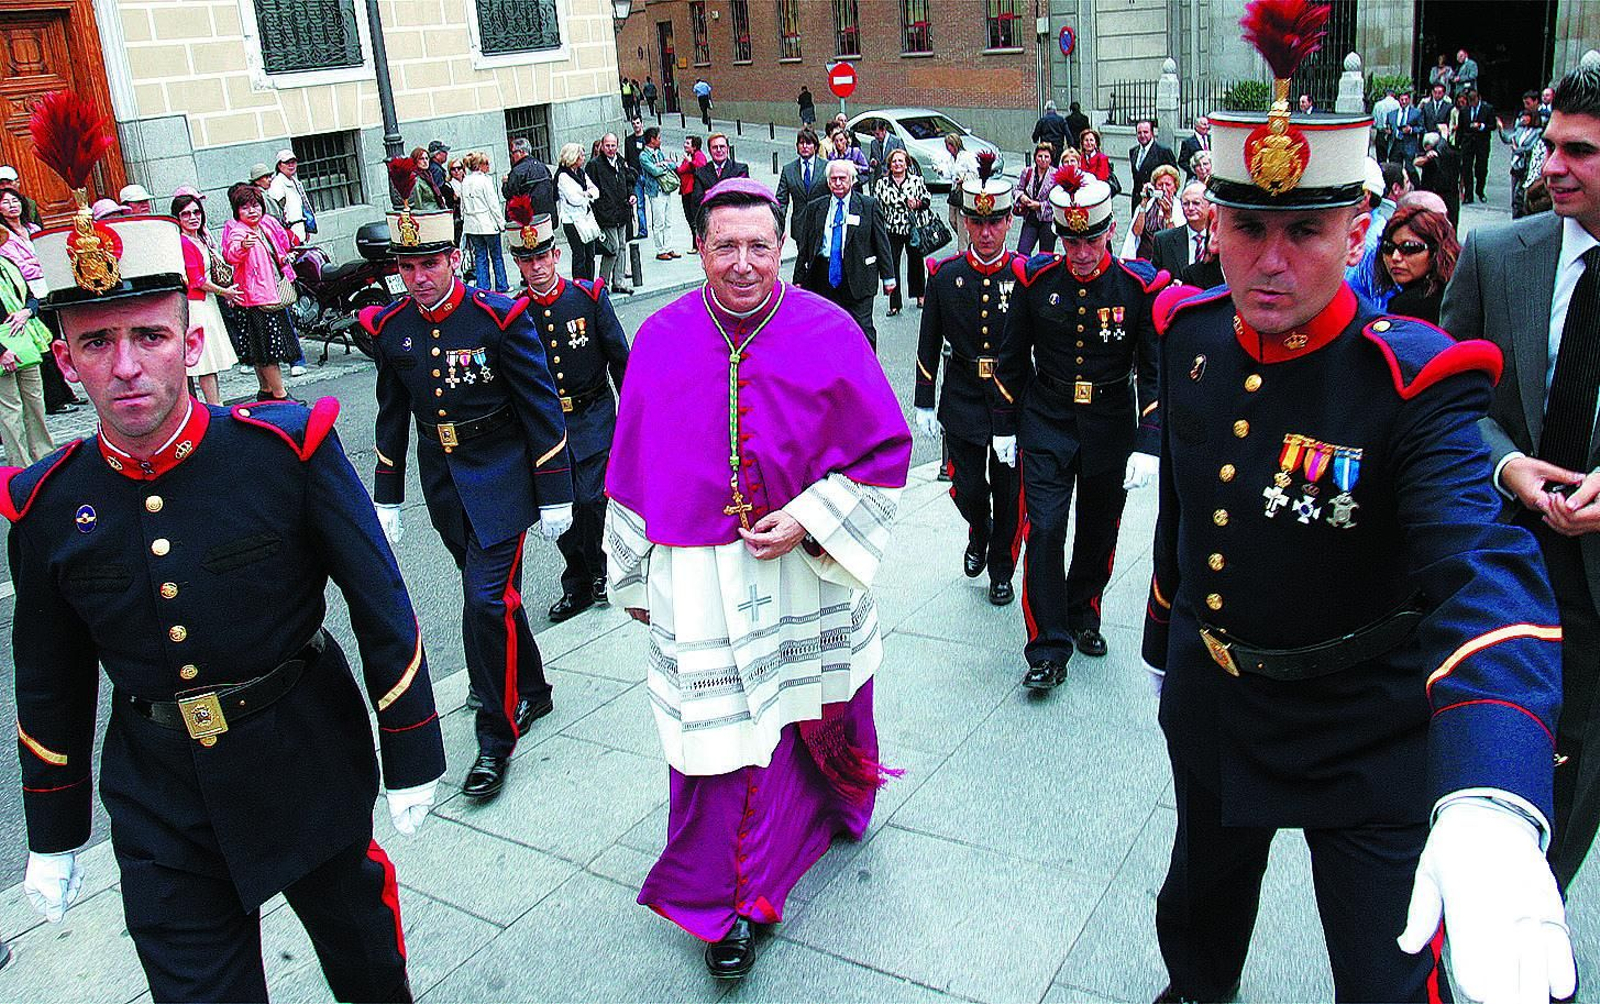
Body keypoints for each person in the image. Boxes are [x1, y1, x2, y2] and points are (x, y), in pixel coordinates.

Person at [1143, 15, 1569, 1000]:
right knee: (1196, 916)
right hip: (1219, 702)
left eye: (1305, 230)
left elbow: (1485, 573)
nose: (1272, 261)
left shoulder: (1411, 380)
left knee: (1387, 977)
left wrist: (1494, 789)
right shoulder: (1191, 335)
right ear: (1214, 222)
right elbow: (1185, 502)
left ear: (1354, 226)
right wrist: (1171, 635)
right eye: (1248, 226)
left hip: (1365, 725)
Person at [7, 93, 446, 1001]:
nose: (125, 365)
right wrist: (51, 830)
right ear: (66, 363)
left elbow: (380, 600)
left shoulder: (286, 449)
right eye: (97, 342)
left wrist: (410, 747)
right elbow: (47, 677)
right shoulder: (46, 502)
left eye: (148, 335)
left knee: (368, 969)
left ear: (190, 340)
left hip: (303, 753)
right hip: (159, 792)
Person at [603, 177, 911, 981]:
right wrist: (635, 577)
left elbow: (882, 455)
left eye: (759, 247)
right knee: (722, 746)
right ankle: (728, 902)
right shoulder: (662, 339)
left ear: (783, 249)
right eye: (725, 246)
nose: (743, 264)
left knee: (806, 710)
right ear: (699, 249)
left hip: (800, 567)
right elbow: (634, 467)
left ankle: (827, 809)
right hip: (700, 574)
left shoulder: (830, 328)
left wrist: (810, 518)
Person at [1442, 56, 1600, 892]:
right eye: (1552, 145)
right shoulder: (1498, 254)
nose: (1552, 167)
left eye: (1580, 152)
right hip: (1509, 567)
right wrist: (1505, 463)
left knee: (1572, 796)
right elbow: (1445, 400)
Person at [361, 190, 573, 803]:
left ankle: (496, 737)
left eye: (428, 264)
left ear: (454, 257)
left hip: (502, 476)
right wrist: (388, 494)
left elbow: (540, 406)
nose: (418, 278)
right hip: (445, 483)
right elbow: (390, 415)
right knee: (498, 601)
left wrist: (555, 490)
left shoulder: (498, 317)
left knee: (482, 603)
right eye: (406, 267)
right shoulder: (394, 329)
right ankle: (531, 687)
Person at [991, 164, 1164, 690]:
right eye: (1070, 239)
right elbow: (1012, 356)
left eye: (1090, 239)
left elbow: (1153, 371)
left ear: (1109, 230)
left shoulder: (1138, 287)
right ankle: (1047, 645)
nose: (1081, 252)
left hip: (1110, 423)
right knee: (1043, 529)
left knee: (1098, 528)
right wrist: (1003, 425)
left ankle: (1083, 610)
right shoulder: (1037, 280)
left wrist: (1148, 440)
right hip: (1047, 419)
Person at [504, 206, 629, 623]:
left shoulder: (588, 297)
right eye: (527, 260)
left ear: (555, 255)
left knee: (592, 500)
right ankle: (577, 580)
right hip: (546, 428)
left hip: (592, 416)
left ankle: (601, 569)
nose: (536, 268)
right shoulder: (514, 313)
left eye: (542, 257)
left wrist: (631, 418)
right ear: (518, 264)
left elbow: (619, 360)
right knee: (561, 508)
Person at [916, 157, 1023, 606]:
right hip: (961, 394)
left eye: (994, 222)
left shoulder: (1024, 274)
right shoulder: (945, 275)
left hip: (1011, 397)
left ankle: (1001, 569)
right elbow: (928, 340)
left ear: (1009, 221)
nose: (985, 232)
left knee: (1008, 489)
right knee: (969, 486)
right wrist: (923, 399)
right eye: (976, 222)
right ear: (962, 220)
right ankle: (979, 531)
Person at [792, 159, 894, 349]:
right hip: (824, 276)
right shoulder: (816, 207)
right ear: (828, 182)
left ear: (852, 180)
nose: (838, 183)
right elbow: (805, 246)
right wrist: (798, 277)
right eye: (833, 179)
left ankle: (867, 372)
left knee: (862, 329)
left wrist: (888, 277)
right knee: (825, 328)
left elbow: (882, 243)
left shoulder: (868, 205)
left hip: (858, 275)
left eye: (842, 178)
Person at [221, 185, 301, 402]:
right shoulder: (238, 231)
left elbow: (278, 250)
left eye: (255, 205)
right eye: (245, 207)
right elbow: (231, 254)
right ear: (237, 211)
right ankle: (280, 395)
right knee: (267, 352)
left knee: (260, 350)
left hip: (266, 295)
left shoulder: (263, 227)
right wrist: (243, 247)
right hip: (255, 300)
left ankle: (266, 391)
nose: (252, 211)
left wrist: (284, 259)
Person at [173, 190, 240, 405]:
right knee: (205, 360)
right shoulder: (184, 242)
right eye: (186, 214)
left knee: (209, 362)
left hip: (207, 302)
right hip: (196, 305)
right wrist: (225, 292)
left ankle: (214, 403)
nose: (193, 217)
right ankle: (213, 406)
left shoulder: (200, 238)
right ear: (178, 218)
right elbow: (197, 280)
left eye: (196, 212)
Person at [0, 251, 53, 464]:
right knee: (10, 410)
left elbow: (32, 298)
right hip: (4, 348)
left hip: (25, 341)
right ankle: (20, 464)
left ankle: (44, 457)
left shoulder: (7, 262)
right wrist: (1, 351)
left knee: (35, 403)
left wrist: (26, 312)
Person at [1374, 202, 1457, 324]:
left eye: (1409, 247)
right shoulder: (1458, 289)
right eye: (1388, 247)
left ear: (1436, 252)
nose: (1395, 257)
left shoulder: (1410, 306)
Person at [872, 148, 930, 316]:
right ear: (890, 164)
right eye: (894, 161)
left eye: (901, 161)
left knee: (917, 263)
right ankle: (894, 303)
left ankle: (920, 295)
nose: (897, 164)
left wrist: (917, 203)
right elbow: (878, 207)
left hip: (913, 228)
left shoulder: (916, 181)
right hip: (892, 229)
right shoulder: (882, 183)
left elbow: (927, 199)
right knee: (891, 265)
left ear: (906, 164)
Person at [588, 132, 636, 295]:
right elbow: (591, 189)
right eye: (607, 145)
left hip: (621, 210)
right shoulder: (595, 165)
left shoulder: (620, 161)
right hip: (606, 213)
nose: (610, 149)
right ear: (602, 146)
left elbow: (628, 180)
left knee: (622, 246)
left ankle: (619, 281)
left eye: (613, 145)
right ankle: (603, 282)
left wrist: (631, 194)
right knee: (612, 247)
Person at [460, 152, 510, 293]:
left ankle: (483, 287)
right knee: (496, 256)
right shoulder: (485, 181)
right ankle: (502, 285)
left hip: (472, 224)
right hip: (487, 223)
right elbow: (493, 205)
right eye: (486, 163)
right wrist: (501, 224)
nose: (488, 166)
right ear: (480, 165)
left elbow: (462, 206)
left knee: (480, 256)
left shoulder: (465, 181)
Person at [555, 142, 600, 283]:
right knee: (579, 255)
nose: (583, 157)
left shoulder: (581, 172)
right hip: (572, 221)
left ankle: (590, 283)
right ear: (572, 157)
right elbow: (574, 199)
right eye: (580, 154)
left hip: (585, 218)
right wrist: (586, 195)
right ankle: (580, 284)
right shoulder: (562, 176)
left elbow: (595, 191)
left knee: (590, 254)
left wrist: (585, 194)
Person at [774, 129, 829, 240]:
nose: (804, 146)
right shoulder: (788, 170)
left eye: (808, 143)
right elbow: (781, 200)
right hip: (800, 226)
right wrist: (777, 225)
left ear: (816, 146)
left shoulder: (827, 167)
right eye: (801, 143)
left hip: (822, 225)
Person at [1151, 180, 1211, 279]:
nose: (1191, 208)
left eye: (1196, 203)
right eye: (1186, 204)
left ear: (1209, 205)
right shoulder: (1163, 240)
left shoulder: (1220, 240)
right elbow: (1156, 280)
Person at [638, 126, 678, 262]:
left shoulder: (658, 152)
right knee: (658, 221)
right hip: (655, 192)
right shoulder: (644, 156)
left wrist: (663, 165)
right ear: (652, 139)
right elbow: (654, 171)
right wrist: (663, 166)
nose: (660, 141)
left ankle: (668, 247)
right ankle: (660, 250)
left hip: (665, 189)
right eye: (658, 138)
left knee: (668, 221)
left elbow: (672, 165)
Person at [693, 134, 750, 225]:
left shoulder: (740, 169)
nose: (719, 150)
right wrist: (728, 190)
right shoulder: (700, 173)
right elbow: (697, 201)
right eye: (715, 147)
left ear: (727, 148)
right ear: (709, 150)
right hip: (711, 223)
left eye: (722, 147)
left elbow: (742, 197)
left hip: (734, 222)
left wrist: (711, 193)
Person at [1014, 143, 1058, 257]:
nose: (1043, 160)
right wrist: (1021, 197)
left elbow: (1057, 201)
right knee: (1022, 252)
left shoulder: (1056, 175)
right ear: (1035, 157)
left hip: (1048, 220)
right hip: (1030, 218)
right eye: (1040, 156)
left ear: (1051, 159)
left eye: (1046, 157)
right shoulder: (1027, 172)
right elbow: (1017, 189)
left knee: (1045, 256)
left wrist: (1040, 205)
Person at [1498, 107, 1545, 216]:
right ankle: (1515, 216)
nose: (1523, 119)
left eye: (1525, 116)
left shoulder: (1538, 132)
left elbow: (1531, 147)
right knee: (1514, 194)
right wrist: (1501, 129)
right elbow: (1508, 139)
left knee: (1521, 193)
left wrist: (1517, 149)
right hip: (1516, 165)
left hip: (1527, 166)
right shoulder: (1520, 129)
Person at [1132, 163, 1183, 261]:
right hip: (1145, 256)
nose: (1164, 188)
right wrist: (1143, 204)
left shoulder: (1180, 207)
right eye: (1160, 184)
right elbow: (1136, 232)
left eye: (1168, 185)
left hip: (1167, 257)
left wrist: (1168, 215)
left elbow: (1176, 239)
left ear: (1175, 187)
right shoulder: (1148, 206)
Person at [940, 133, 979, 251]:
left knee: (962, 223)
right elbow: (949, 174)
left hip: (964, 191)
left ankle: (963, 249)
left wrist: (964, 178)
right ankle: (970, 240)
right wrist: (940, 171)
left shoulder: (967, 157)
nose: (948, 149)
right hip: (954, 192)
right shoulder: (951, 159)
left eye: (950, 146)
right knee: (952, 219)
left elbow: (976, 173)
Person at [1415, 129, 1461, 227]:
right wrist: (1427, 158)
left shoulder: (1451, 154)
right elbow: (1416, 162)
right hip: (1435, 190)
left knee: (1449, 220)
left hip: (1447, 191)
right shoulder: (1428, 156)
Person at [1129, 118, 1177, 211]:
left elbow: (1174, 178)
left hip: (1156, 202)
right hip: (1138, 201)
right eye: (1139, 133)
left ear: (1152, 133)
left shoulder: (1163, 151)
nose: (1142, 135)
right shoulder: (1133, 152)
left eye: (1145, 132)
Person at [504, 137, 556, 219]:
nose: (512, 156)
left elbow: (508, 194)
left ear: (521, 152)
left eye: (513, 153)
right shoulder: (543, 167)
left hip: (528, 219)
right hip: (547, 217)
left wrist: (505, 183)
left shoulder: (517, 171)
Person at [266, 149, 311, 242]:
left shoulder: (295, 182)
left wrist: (306, 229)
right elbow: (277, 213)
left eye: (293, 162)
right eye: (287, 162)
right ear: (279, 165)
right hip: (288, 235)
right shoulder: (277, 184)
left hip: (299, 232)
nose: (291, 165)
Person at [1459, 89, 1495, 203]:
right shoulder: (1464, 110)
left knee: (1481, 168)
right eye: (1470, 101)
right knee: (1466, 168)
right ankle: (1468, 194)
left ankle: (1480, 190)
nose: (1472, 103)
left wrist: (1482, 126)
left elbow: (1493, 125)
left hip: (1482, 142)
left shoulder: (1487, 109)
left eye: (1474, 100)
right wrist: (1458, 144)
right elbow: (1461, 128)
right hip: (1468, 143)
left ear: (1478, 98)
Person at [677, 136, 709, 253]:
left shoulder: (698, 156)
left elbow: (701, 168)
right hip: (686, 190)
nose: (685, 145)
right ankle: (696, 244)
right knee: (690, 218)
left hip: (693, 192)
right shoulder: (689, 157)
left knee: (695, 219)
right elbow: (681, 170)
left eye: (687, 143)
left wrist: (690, 162)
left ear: (694, 146)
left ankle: (698, 245)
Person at [625, 117, 650, 239]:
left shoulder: (647, 138)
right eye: (633, 124)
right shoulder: (629, 140)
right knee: (640, 204)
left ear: (642, 123)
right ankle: (643, 230)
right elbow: (627, 158)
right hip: (636, 175)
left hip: (648, 174)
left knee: (655, 202)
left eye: (638, 123)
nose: (636, 125)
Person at [826, 127, 871, 191]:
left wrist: (855, 167)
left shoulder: (855, 152)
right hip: (838, 187)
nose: (839, 143)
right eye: (836, 141)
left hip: (854, 186)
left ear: (846, 140)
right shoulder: (832, 155)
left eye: (841, 140)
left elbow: (866, 168)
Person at [867, 120, 906, 189]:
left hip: (892, 177)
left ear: (884, 130)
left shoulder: (897, 142)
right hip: (879, 178)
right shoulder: (873, 143)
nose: (876, 136)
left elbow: (903, 159)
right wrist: (873, 161)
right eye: (874, 134)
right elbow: (872, 157)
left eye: (877, 134)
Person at [1392, 91, 1423, 160]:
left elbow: (1421, 128)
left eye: (1406, 99)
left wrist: (1411, 129)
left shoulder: (1416, 113)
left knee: (1410, 167)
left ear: (1409, 100)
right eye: (1402, 100)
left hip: (1409, 143)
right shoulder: (1392, 113)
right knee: (1395, 166)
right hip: (1396, 144)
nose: (1404, 102)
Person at [1372, 89, 1401, 161]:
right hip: (1393, 133)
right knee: (1393, 158)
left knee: (1381, 158)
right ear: (1393, 95)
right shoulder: (1397, 104)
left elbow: (1374, 122)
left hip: (1381, 133)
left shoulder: (1378, 105)